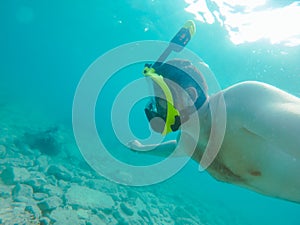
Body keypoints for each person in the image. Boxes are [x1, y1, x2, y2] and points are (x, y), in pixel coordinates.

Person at [128, 58, 300, 204]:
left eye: (161, 99)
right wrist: (142, 149)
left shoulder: (239, 103)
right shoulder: (188, 140)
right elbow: (177, 149)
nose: (155, 107)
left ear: (190, 96)